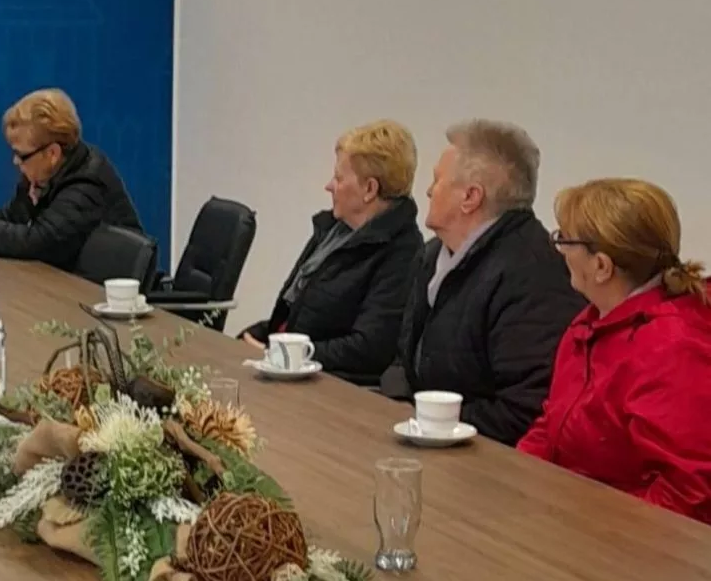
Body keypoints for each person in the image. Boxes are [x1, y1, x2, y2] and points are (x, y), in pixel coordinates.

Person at [379, 119, 585, 445]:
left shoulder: (533, 274)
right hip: (427, 436)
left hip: (483, 456)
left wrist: (431, 422)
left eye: (437, 180)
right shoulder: (432, 256)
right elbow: (402, 361)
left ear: (470, 197)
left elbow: (525, 409)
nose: (429, 190)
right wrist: (400, 408)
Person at [518, 178, 711, 523]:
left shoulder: (671, 346)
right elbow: (551, 426)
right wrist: (513, 480)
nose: (559, 250)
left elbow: (687, 492)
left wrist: (593, 527)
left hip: (628, 538)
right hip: (571, 517)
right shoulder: (591, 321)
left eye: (565, 239)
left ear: (602, 266)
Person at [239, 121, 423, 385]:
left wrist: (283, 355)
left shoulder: (402, 253)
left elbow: (370, 348)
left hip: (328, 384)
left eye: (339, 178)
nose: (329, 186)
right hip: (291, 364)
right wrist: (257, 338)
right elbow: (296, 314)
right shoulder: (332, 230)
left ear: (369, 189)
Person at [0, 88, 141, 270]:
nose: (15, 161)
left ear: (52, 154)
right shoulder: (44, 173)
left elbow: (41, 241)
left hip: (109, 295)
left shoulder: (87, 182)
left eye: (21, 155)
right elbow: (12, 216)